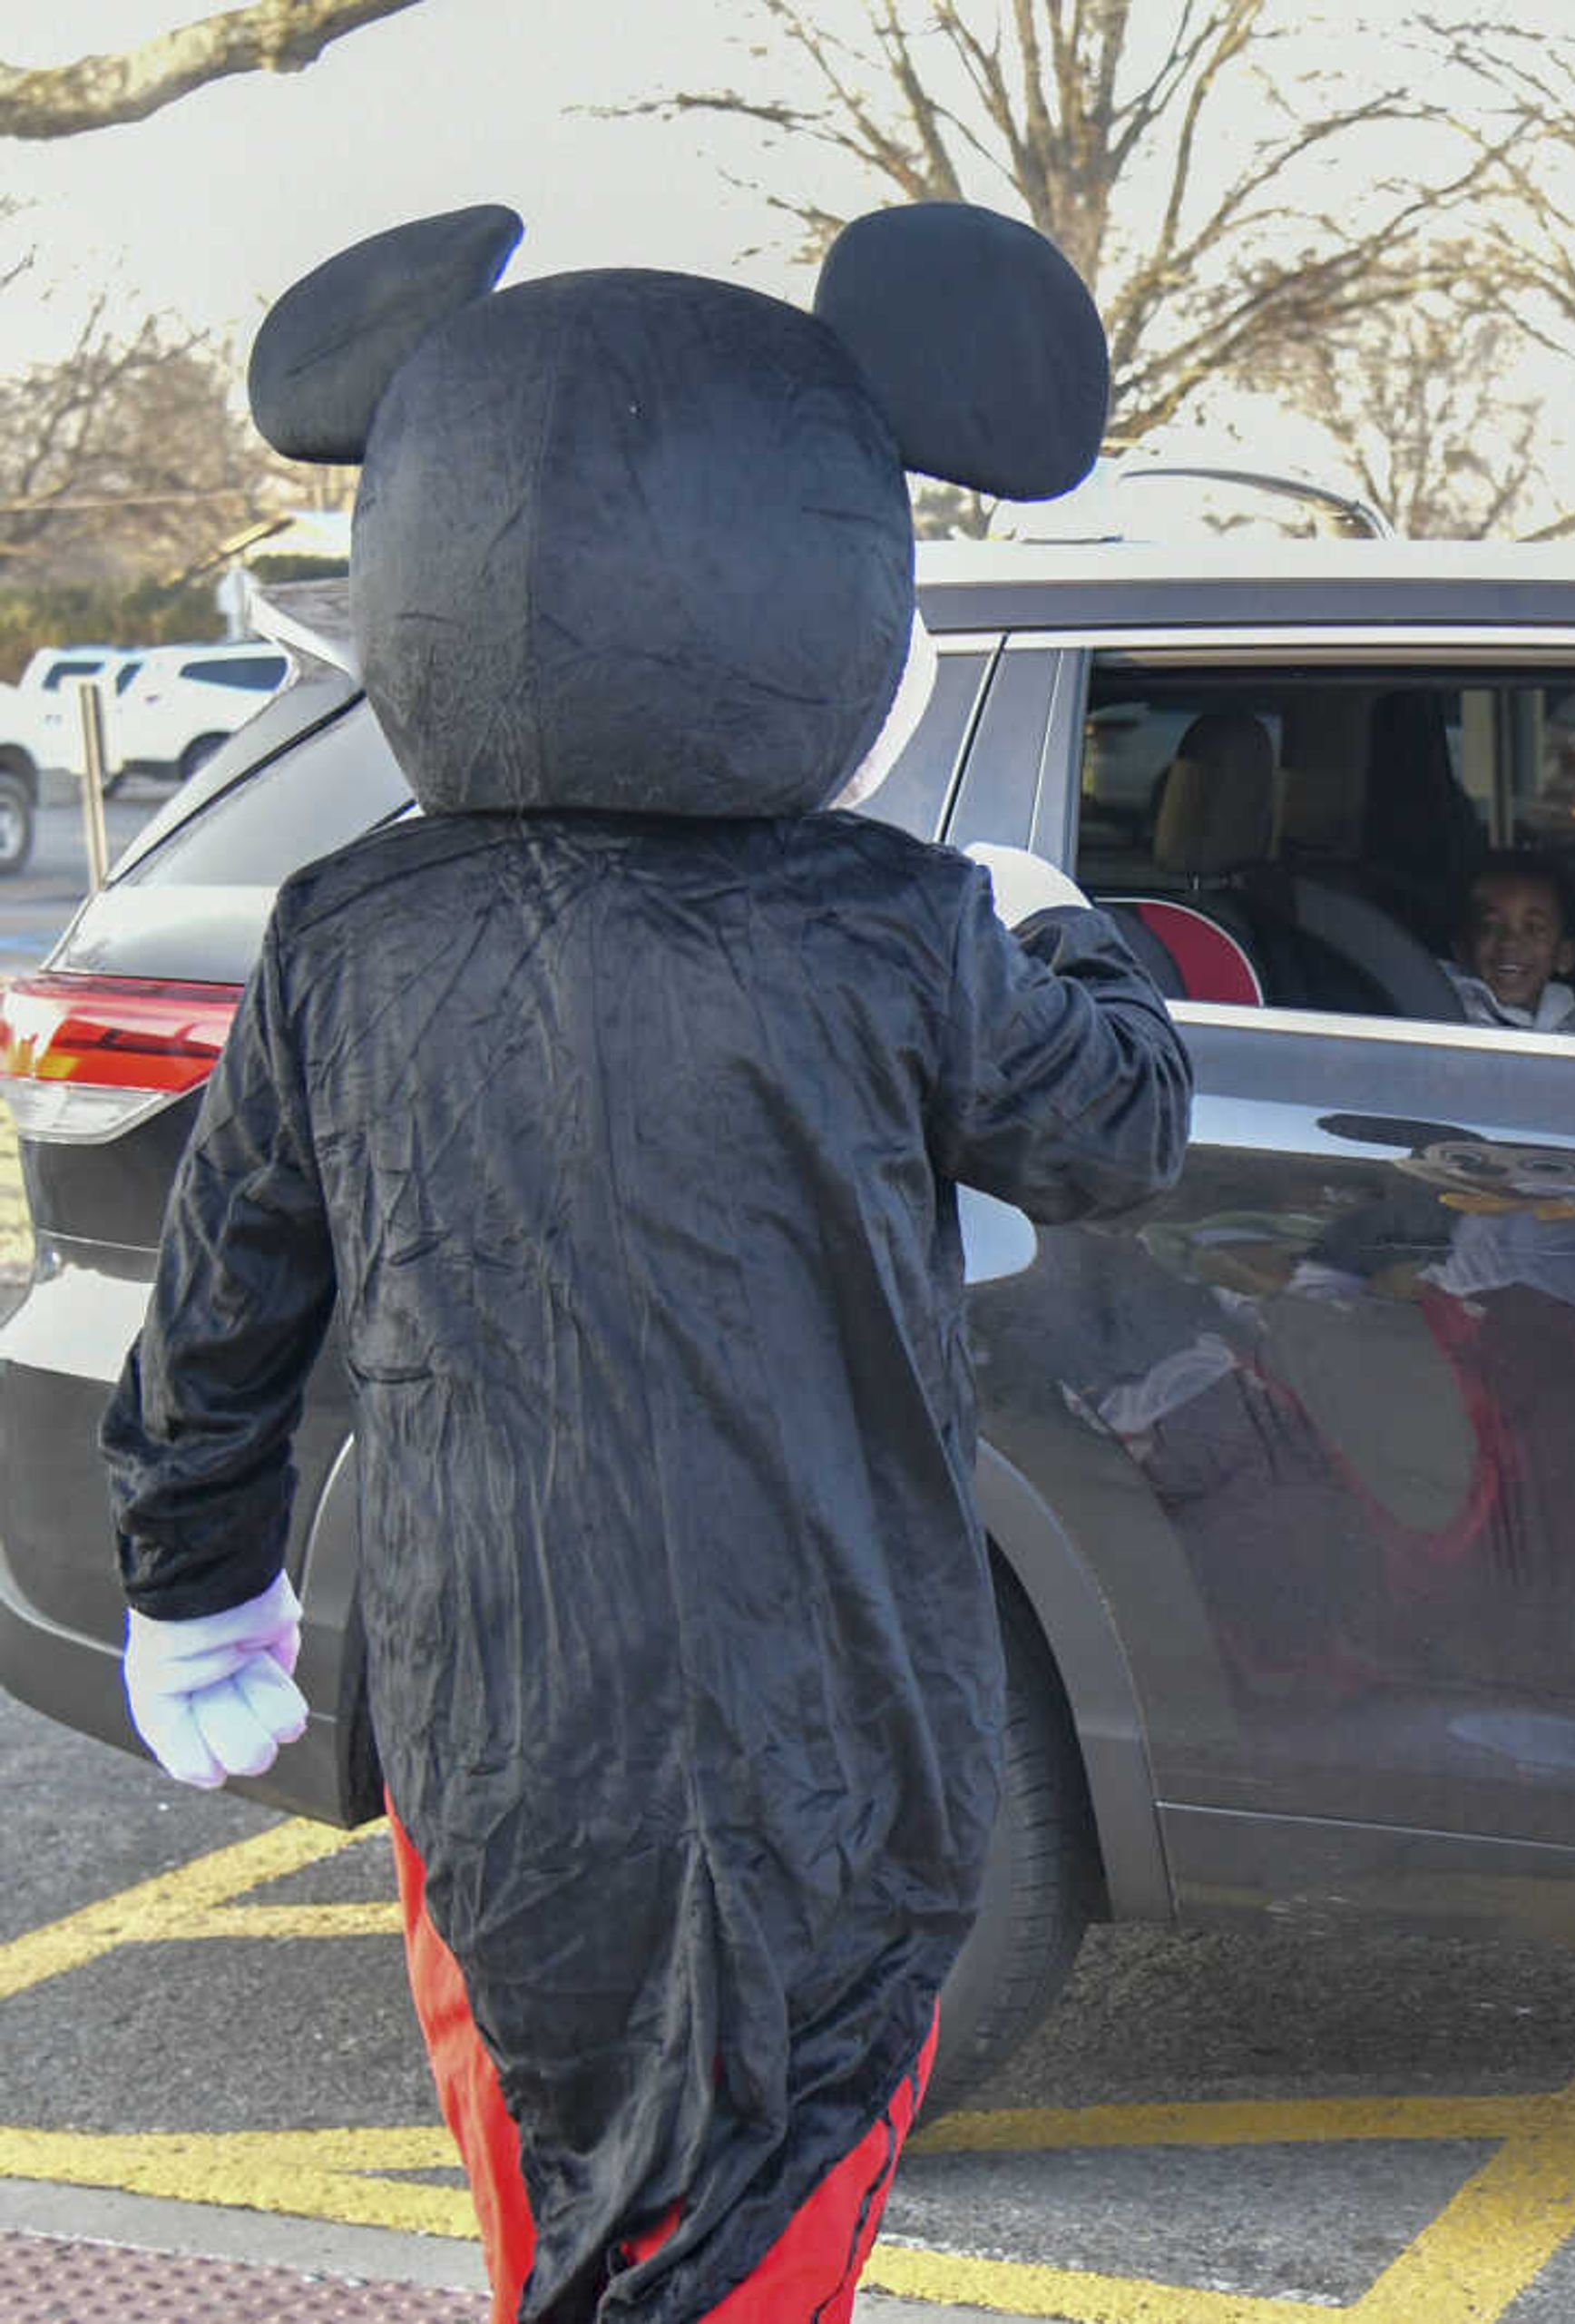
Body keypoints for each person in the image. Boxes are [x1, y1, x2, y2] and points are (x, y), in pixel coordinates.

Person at [103, 203, 1189, 2324]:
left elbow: (224, 1308)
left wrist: (190, 1571)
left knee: (568, 2214)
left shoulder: (346, 927)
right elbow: (1119, 1118)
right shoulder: (897, 923)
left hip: (499, 1723)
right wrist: (1055, 924)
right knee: (763, 2229)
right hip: (841, 1726)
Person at [1443, 849, 1575, 1035]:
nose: (1509, 942)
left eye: (1534, 928)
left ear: (1566, 954)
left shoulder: (1570, 1019)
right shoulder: (1445, 1009)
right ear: (1462, 949)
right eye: (1490, 927)